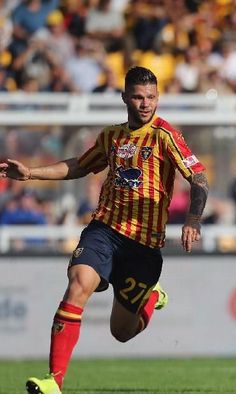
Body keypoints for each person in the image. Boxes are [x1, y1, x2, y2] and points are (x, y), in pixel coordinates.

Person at [0, 66, 208, 394]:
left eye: (151, 97)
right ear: (125, 97)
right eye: (138, 97)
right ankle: (54, 381)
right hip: (105, 230)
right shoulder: (112, 136)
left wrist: (193, 221)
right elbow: (80, 165)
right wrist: (30, 173)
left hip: (143, 245)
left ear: (158, 98)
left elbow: (198, 178)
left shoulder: (165, 135)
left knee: (121, 332)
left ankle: (152, 296)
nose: (145, 104)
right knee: (78, 283)